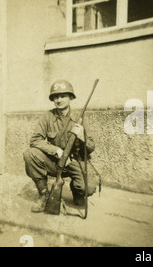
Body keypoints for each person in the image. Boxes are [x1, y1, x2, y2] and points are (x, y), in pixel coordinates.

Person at [23, 80, 96, 213]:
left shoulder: (80, 118)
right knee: (29, 154)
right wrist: (56, 150)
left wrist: (82, 137)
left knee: (87, 188)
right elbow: (35, 140)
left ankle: (77, 190)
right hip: (54, 160)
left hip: (75, 161)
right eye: (56, 97)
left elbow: (91, 146)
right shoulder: (47, 116)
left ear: (71, 98)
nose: (59, 99)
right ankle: (44, 194)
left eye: (63, 96)